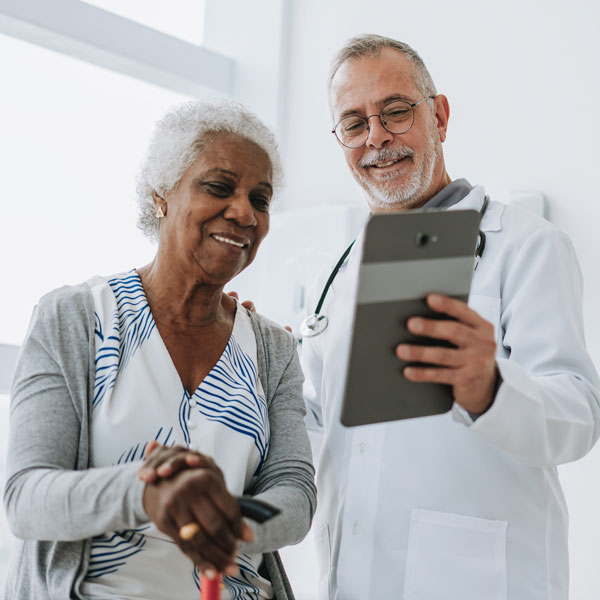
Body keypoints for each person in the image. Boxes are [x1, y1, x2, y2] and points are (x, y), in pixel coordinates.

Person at [301, 34, 600, 600]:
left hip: (478, 579)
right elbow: (325, 433)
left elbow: (579, 417)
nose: (377, 139)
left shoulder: (527, 246)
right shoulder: (336, 276)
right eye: (354, 123)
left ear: (438, 115)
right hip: (351, 578)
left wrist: (489, 387)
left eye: (395, 111)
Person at [3, 100, 316, 600]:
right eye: (218, 187)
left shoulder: (272, 348)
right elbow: (26, 498)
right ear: (160, 197)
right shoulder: (77, 318)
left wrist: (224, 520)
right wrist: (148, 493)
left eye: (260, 199)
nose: (243, 212)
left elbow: (295, 493)